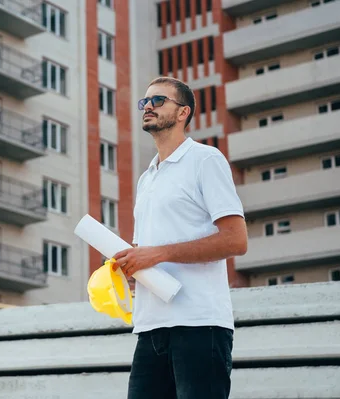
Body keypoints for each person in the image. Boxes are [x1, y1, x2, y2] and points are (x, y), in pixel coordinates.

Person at [112, 76, 248, 399]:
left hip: (200, 325)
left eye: (157, 101)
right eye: (144, 102)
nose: (147, 107)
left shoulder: (206, 160)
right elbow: (145, 252)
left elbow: (236, 240)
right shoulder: (147, 179)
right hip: (150, 329)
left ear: (183, 112)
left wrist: (155, 255)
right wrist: (133, 267)